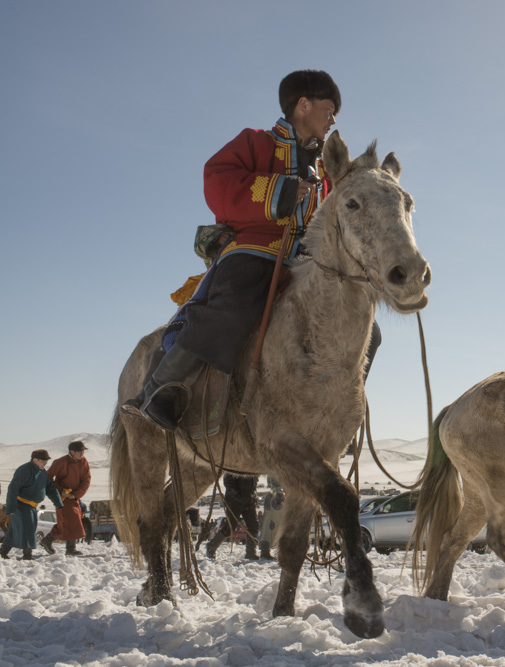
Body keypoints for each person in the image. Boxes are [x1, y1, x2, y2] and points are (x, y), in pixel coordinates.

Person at [124, 69, 381, 432]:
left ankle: (334, 411)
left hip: (308, 265)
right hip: (255, 249)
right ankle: (161, 389)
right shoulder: (256, 143)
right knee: (239, 300)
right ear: (303, 105)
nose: (333, 118)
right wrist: (282, 191)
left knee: (364, 326)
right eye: (329, 108)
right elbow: (217, 180)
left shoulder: (326, 168)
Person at [1, 450, 63, 560]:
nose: (45, 464)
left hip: (32, 507)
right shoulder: (24, 470)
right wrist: (10, 507)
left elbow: (50, 488)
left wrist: (58, 502)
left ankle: (3, 552)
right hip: (21, 505)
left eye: (46, 461)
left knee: (15, 530)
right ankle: (27, 555)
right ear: (35, 460)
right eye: (43, 461)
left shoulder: (42, 472)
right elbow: (12, 488)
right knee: (28, 529)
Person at [39, 441, 91, 556]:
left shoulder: (84, 462)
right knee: (72, 519)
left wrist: (76, 494)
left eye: (83, 451)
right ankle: (70, 549)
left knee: (67, 522)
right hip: (61, 497)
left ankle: (47, 541)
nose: (82, 453)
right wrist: (60, 491)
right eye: (80, 451)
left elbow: (86, 480)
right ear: (72, 452)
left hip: (73, 497)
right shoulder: (60, 462)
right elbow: (47, 476)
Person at [205, 474, 260, 560]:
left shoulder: (253, 468)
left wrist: (253, 497)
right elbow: (228, 484)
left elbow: (254, 484)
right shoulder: (234, 466)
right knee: (230, 527)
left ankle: (251, 553)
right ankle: (211, 547)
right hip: (234, 503)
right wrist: (239, 497)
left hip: (249, 502)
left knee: (254, 526)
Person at [259, 477, 285, 560]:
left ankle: (281, 551)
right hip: (276, 498)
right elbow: (275, 481)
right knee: (271, 525)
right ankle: (265, 551)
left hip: (280, 497)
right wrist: (279, 494)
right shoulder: (277, 465)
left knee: (281, 526)